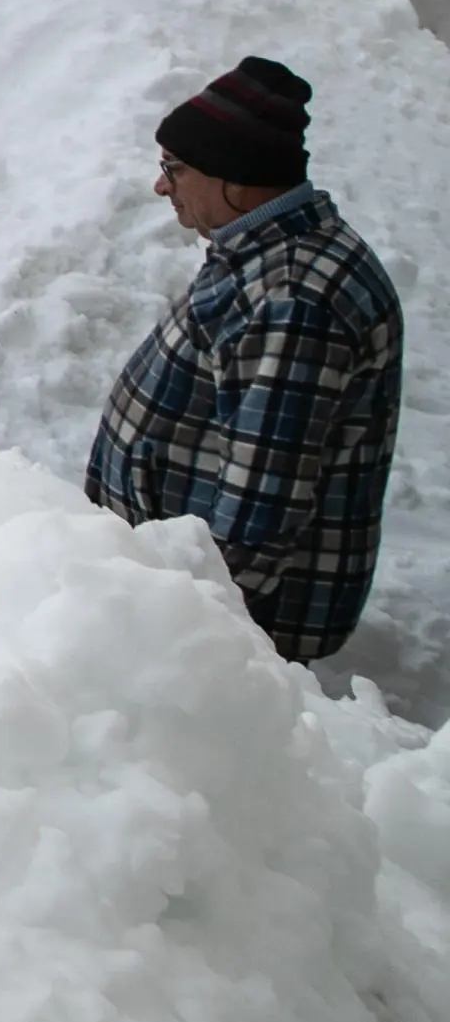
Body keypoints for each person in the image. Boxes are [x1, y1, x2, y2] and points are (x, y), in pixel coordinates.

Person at [86, 57, 402, 662]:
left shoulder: (295, 301)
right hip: (181, 599)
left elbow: (260, 511)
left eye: (173, 168)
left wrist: (184, 637)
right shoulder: (267, 253)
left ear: (234, 177)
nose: (161, 186)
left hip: (217, 633)